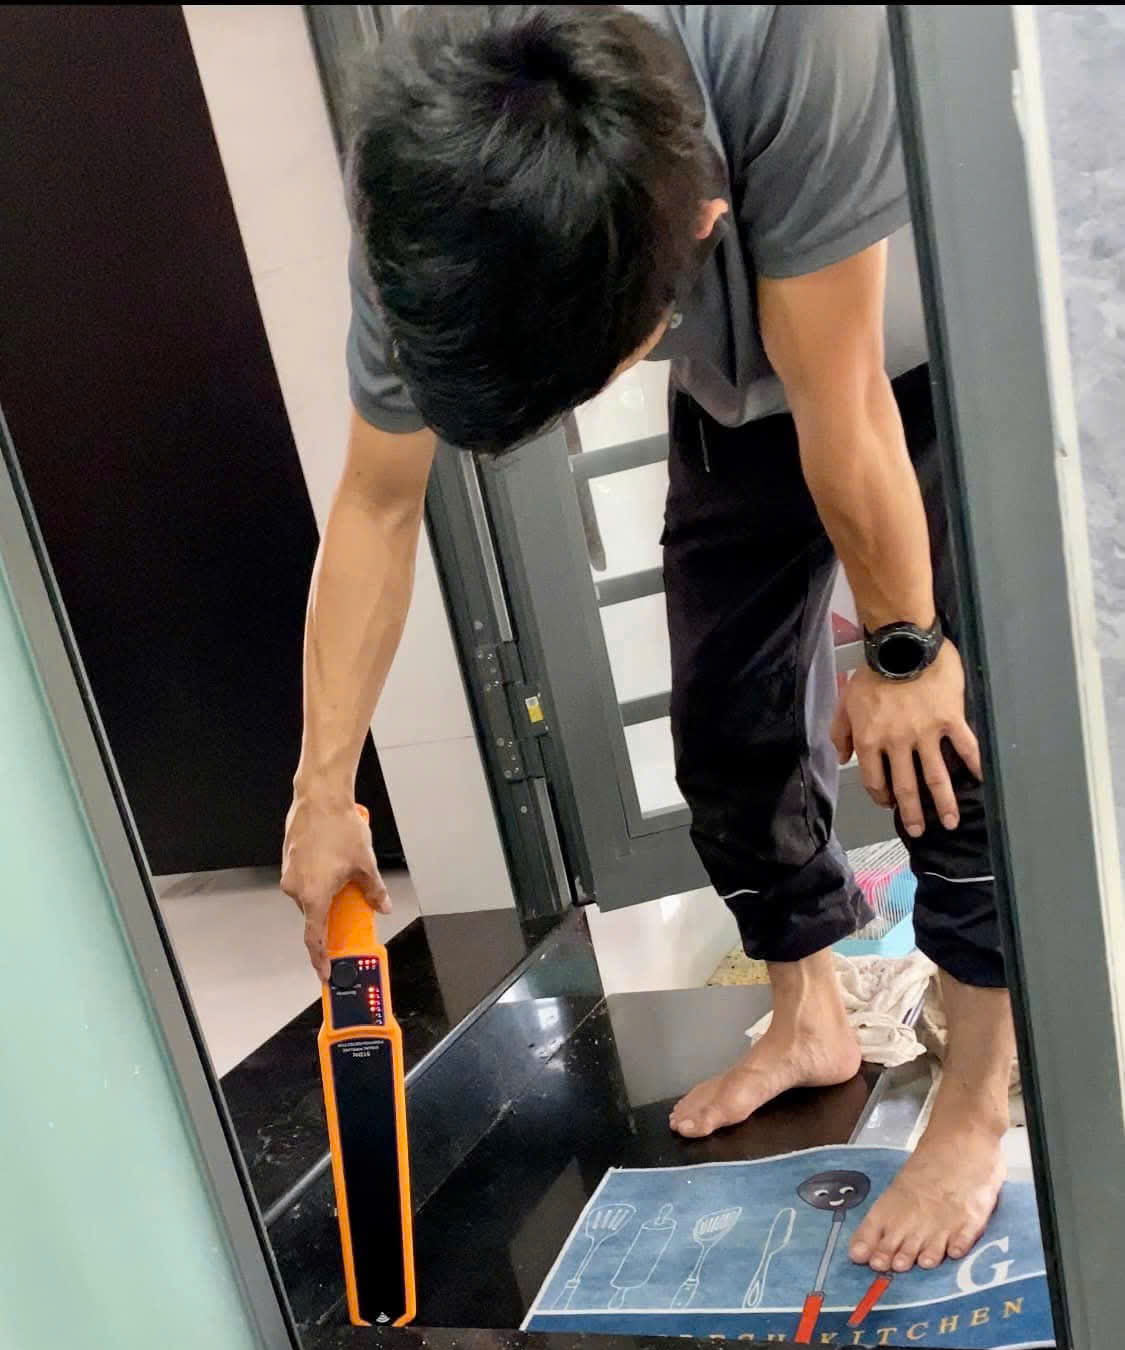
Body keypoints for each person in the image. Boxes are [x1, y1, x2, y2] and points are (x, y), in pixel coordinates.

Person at [281, 4, 1015, 1277]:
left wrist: (902, 651)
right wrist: (320, 788)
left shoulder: (794, 39)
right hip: (756, 386)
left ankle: (978, 1096)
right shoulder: (433, 198)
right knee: (727, 721)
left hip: (901, 348)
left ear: (699, 227)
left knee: (945, 752)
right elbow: (377, 503)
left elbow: (843, 405)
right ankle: (811, 1022)